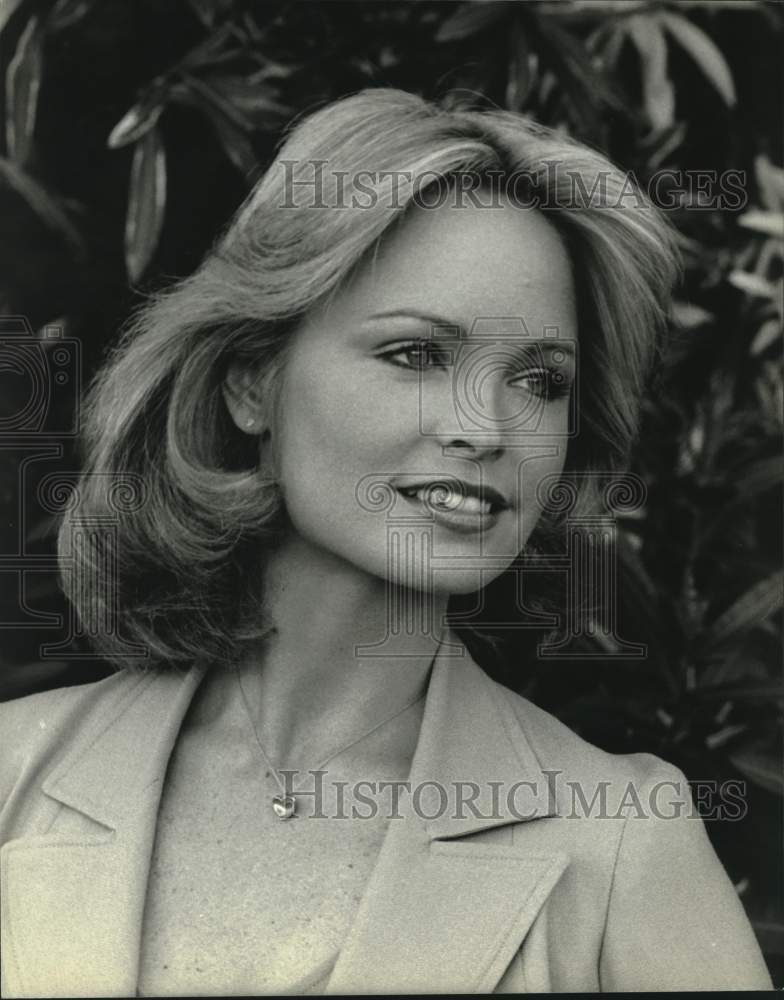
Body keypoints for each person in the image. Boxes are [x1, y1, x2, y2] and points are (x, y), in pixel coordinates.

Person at [0, 88, 773, 997]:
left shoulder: (622, 839)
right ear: (252, 381)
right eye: (415, 355)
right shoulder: (15, 772)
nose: (487, 428)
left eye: (539, 379)